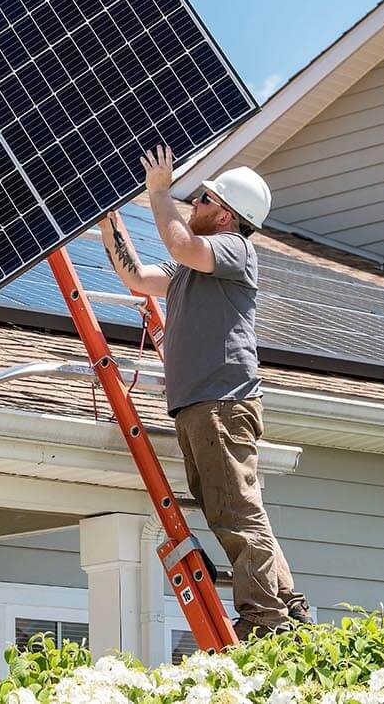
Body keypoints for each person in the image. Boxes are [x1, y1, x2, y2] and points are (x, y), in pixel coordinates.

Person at [97, 146, 311, 640]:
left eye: (203, 199)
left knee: (235, 512)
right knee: (229, 507)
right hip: (202, 404)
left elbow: (179, 245)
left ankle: (264, 618)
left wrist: (157, 191)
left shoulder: (236, 249)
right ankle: (287, 603)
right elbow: (135, 277)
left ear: (226, 214)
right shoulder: (191, 270)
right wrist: (109, 221)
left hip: (222, 402)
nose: (193, 204)